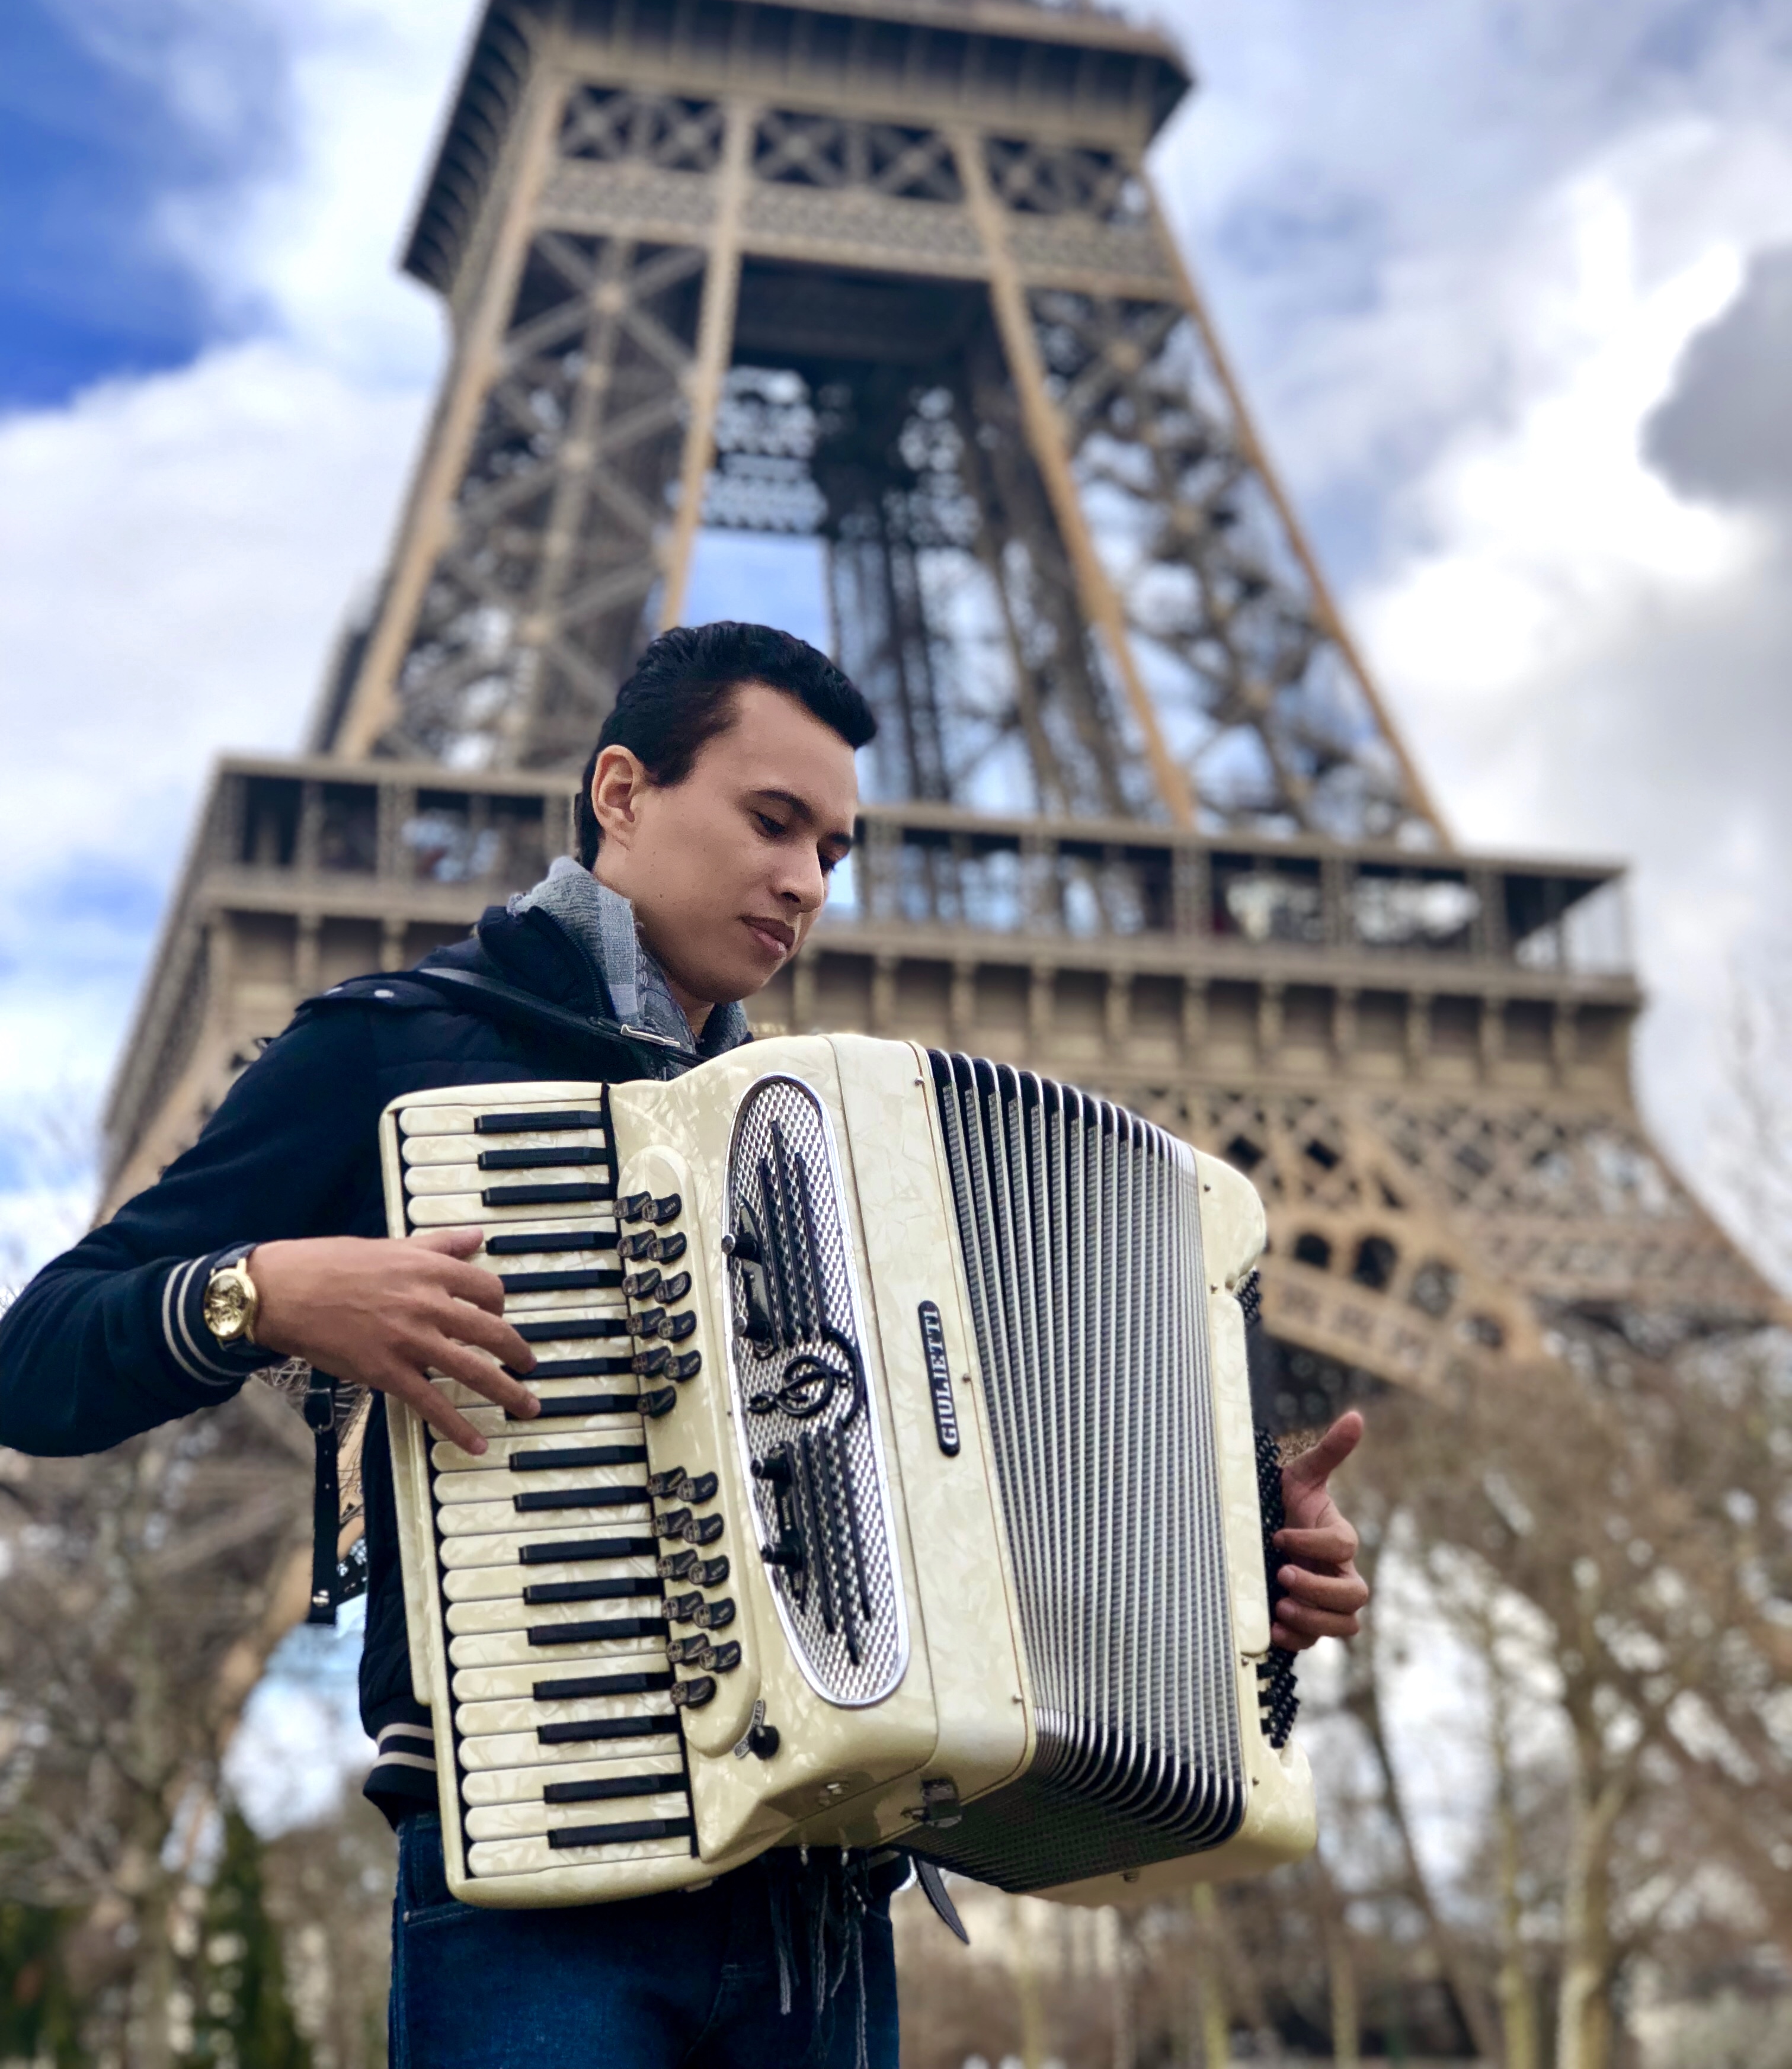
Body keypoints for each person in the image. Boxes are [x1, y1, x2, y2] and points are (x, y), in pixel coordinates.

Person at [0, 621, 1370, 2068]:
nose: (806, 881)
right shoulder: (391, 1053)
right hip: (546, 1895)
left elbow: (966, 1512)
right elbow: (36, 1361)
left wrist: (1230, 1569)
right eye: (772, 822)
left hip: (818, 1917)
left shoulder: (838, 1154)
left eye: (833, 852)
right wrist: (262, 1290)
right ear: (622, 792)